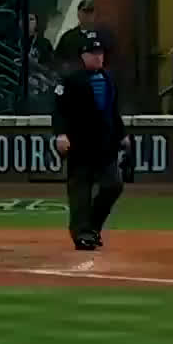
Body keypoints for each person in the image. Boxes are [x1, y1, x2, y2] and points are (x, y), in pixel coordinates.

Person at [51, 32, 128, 251]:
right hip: (80, 145)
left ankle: (93, 226)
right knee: (80, 193)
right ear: (83, 56)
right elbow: (59, 111)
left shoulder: (109, 79)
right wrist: (61, 134)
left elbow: (113, 111)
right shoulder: (70, 79)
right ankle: (81, 233)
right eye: (93, 53)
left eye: (100, 53)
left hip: (105, 145)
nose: (98, 56)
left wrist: (122, 134)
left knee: (113, 185)